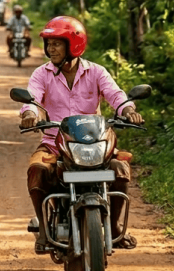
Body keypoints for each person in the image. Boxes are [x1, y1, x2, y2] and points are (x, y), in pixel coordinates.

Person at [19, 15, 144, 253]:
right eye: (48, 43)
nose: (50, 48)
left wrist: (128, 110)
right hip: (55, 144)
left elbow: (115, 95)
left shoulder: (96, 72)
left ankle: (116, 228)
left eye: (56, 43)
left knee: (120, 168)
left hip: (95, 143)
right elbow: (32, 98)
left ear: (73, 45)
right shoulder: (41, 74)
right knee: (37, 170)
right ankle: (44, 231)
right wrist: (29, 114)